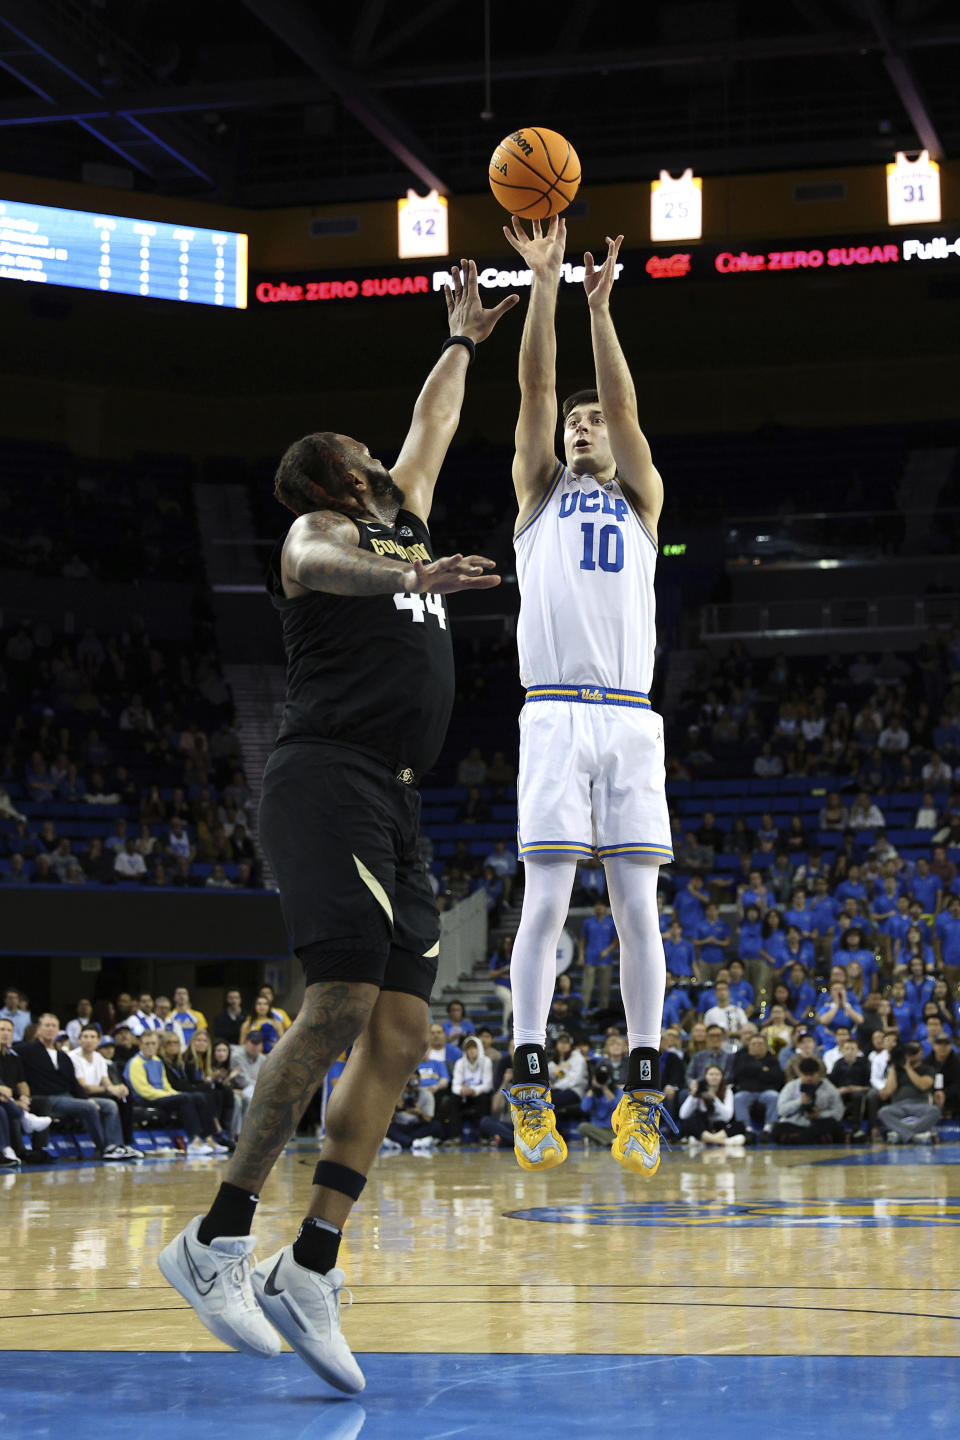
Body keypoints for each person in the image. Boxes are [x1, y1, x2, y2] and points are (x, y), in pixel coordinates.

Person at [158, 259, 517, 1388]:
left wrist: (461, 340)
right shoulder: (322, 531)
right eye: (364, 455)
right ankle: (214, 1238)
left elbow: (435, 422)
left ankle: (309, 1262)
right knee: (341, 1004)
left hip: (396, 794)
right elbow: (318, 565)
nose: (383, 456)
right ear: (337, 475)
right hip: (324, 779)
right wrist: (404, 575)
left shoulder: (400, 511)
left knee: (404, 1033)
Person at [495, 214, 675, 1179]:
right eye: (575, 421)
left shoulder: (642, 493)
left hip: (631, 720)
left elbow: (624, 399)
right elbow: (532, 384)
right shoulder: (538, 493)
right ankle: (530, 1078)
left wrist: (603, 308)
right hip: (557, 711)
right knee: (547, 904)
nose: (581, 422)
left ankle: (642, 1093)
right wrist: (550, 286)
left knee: (640, 912)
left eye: (592, 418)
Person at [18, 1012, 131, 1159]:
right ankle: (104, 1149)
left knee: (109, 1105)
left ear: (58, 1030)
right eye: (47, 1025)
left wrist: (85, 1098)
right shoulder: (26, 1050)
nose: (50, 1029)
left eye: (54, 1026)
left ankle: (116, 1145)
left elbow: (74, 1083)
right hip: (47, 1098)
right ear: (38, 1029)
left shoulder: (63, 1056)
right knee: (89, 1107)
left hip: (67, 1097)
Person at [125, 1030, 217, 1154]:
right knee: (185, 1099)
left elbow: (166, 1085)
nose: (150, 1047)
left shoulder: (157, 1061)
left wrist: (174, 1093)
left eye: (153, 1043)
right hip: (145, 1100)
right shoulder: (135, 1063)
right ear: (140, 1045)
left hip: (161, 1096)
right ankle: (193, 1141)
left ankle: (208, 1137)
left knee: (199, 1096)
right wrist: (171, 1095)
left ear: (157, 1045)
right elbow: (143, 1091)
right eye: (147, 1044)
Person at [69, 1023, 140, 1156]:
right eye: (85, 1037)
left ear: (98, 1040)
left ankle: (125, 1144)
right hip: (80, 1096)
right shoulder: (73, 1057)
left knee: (125, 1099)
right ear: (79, 1040)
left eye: (92, 1037)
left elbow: (105, 1080)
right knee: (111, 1104)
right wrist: (109, 1090)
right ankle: (111, 1146)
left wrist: (117, 1088)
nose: (88, 1040)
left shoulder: (98, 1057)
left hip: (98, 1093)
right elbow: (84, 1087)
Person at [877, 1040, 939, 1144]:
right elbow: (888, 1092)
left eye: (913, 1052)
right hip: (898, 1105)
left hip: (920, 1105)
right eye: (907, 1052)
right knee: (883, 1112)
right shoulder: (896, 1070)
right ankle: (914, 1136)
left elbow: (923, 1085)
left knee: (935, 1111)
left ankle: (902, 1134)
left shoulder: (928, 1069)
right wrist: (893, 1065)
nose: (909, 1055)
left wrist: (908, 1067)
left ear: (921, 1053)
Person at [774, 1057, 845, 1144]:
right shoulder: (791, 1086)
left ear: (818, 1074)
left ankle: (799, 1138)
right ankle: (808, 1138)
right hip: (796, 1122)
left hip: (819, 1123)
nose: (808, 1078)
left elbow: (839, 1112)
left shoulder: (828, 1087)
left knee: (834, 1126)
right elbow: (781, 1110)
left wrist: (819, 1114)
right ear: (800, 1074)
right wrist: (799, 1102)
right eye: (805, 1075)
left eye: (811, 1075)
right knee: (776, 1130)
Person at [730, 1034, 784, 1139]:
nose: (757, 1046)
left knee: (774, 1096)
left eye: (760, 1044)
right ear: (749, 1046)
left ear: (766, 1046)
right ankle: (747, 1129)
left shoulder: (772, 1060)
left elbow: (777, 1078)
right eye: (754, 1044)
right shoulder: (741, 1058)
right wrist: (762, 1070)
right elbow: (738, 1075)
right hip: (747, 1091)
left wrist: (752, 1071)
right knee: (738, 1098)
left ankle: (769, 1128)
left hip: (767, 1091)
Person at [678, 1065, 744, 1147]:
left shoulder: (727, 1090)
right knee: (689, 1122)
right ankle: (724, 1142)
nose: (714, 1077)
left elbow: (727, 1116)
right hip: (704, 1127)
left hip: (720, 1126)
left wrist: (714, 1098)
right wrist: (693, 1096)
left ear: (722, 1077)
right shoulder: (700, 1089)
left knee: (740, 1125)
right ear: (705, 1076)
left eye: (717, 1074)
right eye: (711, 1074)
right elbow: (683, 1115)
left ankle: (706, 1140)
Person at [578, 901, 620, 1014]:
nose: (599, 908)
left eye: (601, 905)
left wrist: (607, 950)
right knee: (586, 988)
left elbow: (616, 940)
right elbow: (583, 940)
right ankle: (583, 1011)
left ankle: (603, 1013)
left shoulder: (611, 923)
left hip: (605, 960)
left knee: (604, 989)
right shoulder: (588, 922)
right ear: (594, 907)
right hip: (590, 958)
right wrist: (581, 956)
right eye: (597, 906)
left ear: (605, 908)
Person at [488, 935, 513, 1033]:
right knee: (508, 1000)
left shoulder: (516, 955)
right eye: (506, 943)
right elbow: (491, 975)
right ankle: (506, 1028)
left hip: (515, 987)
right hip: (501, 986)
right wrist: (504, 969)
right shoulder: (497, 957)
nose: (508, 946)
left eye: (510, 943)